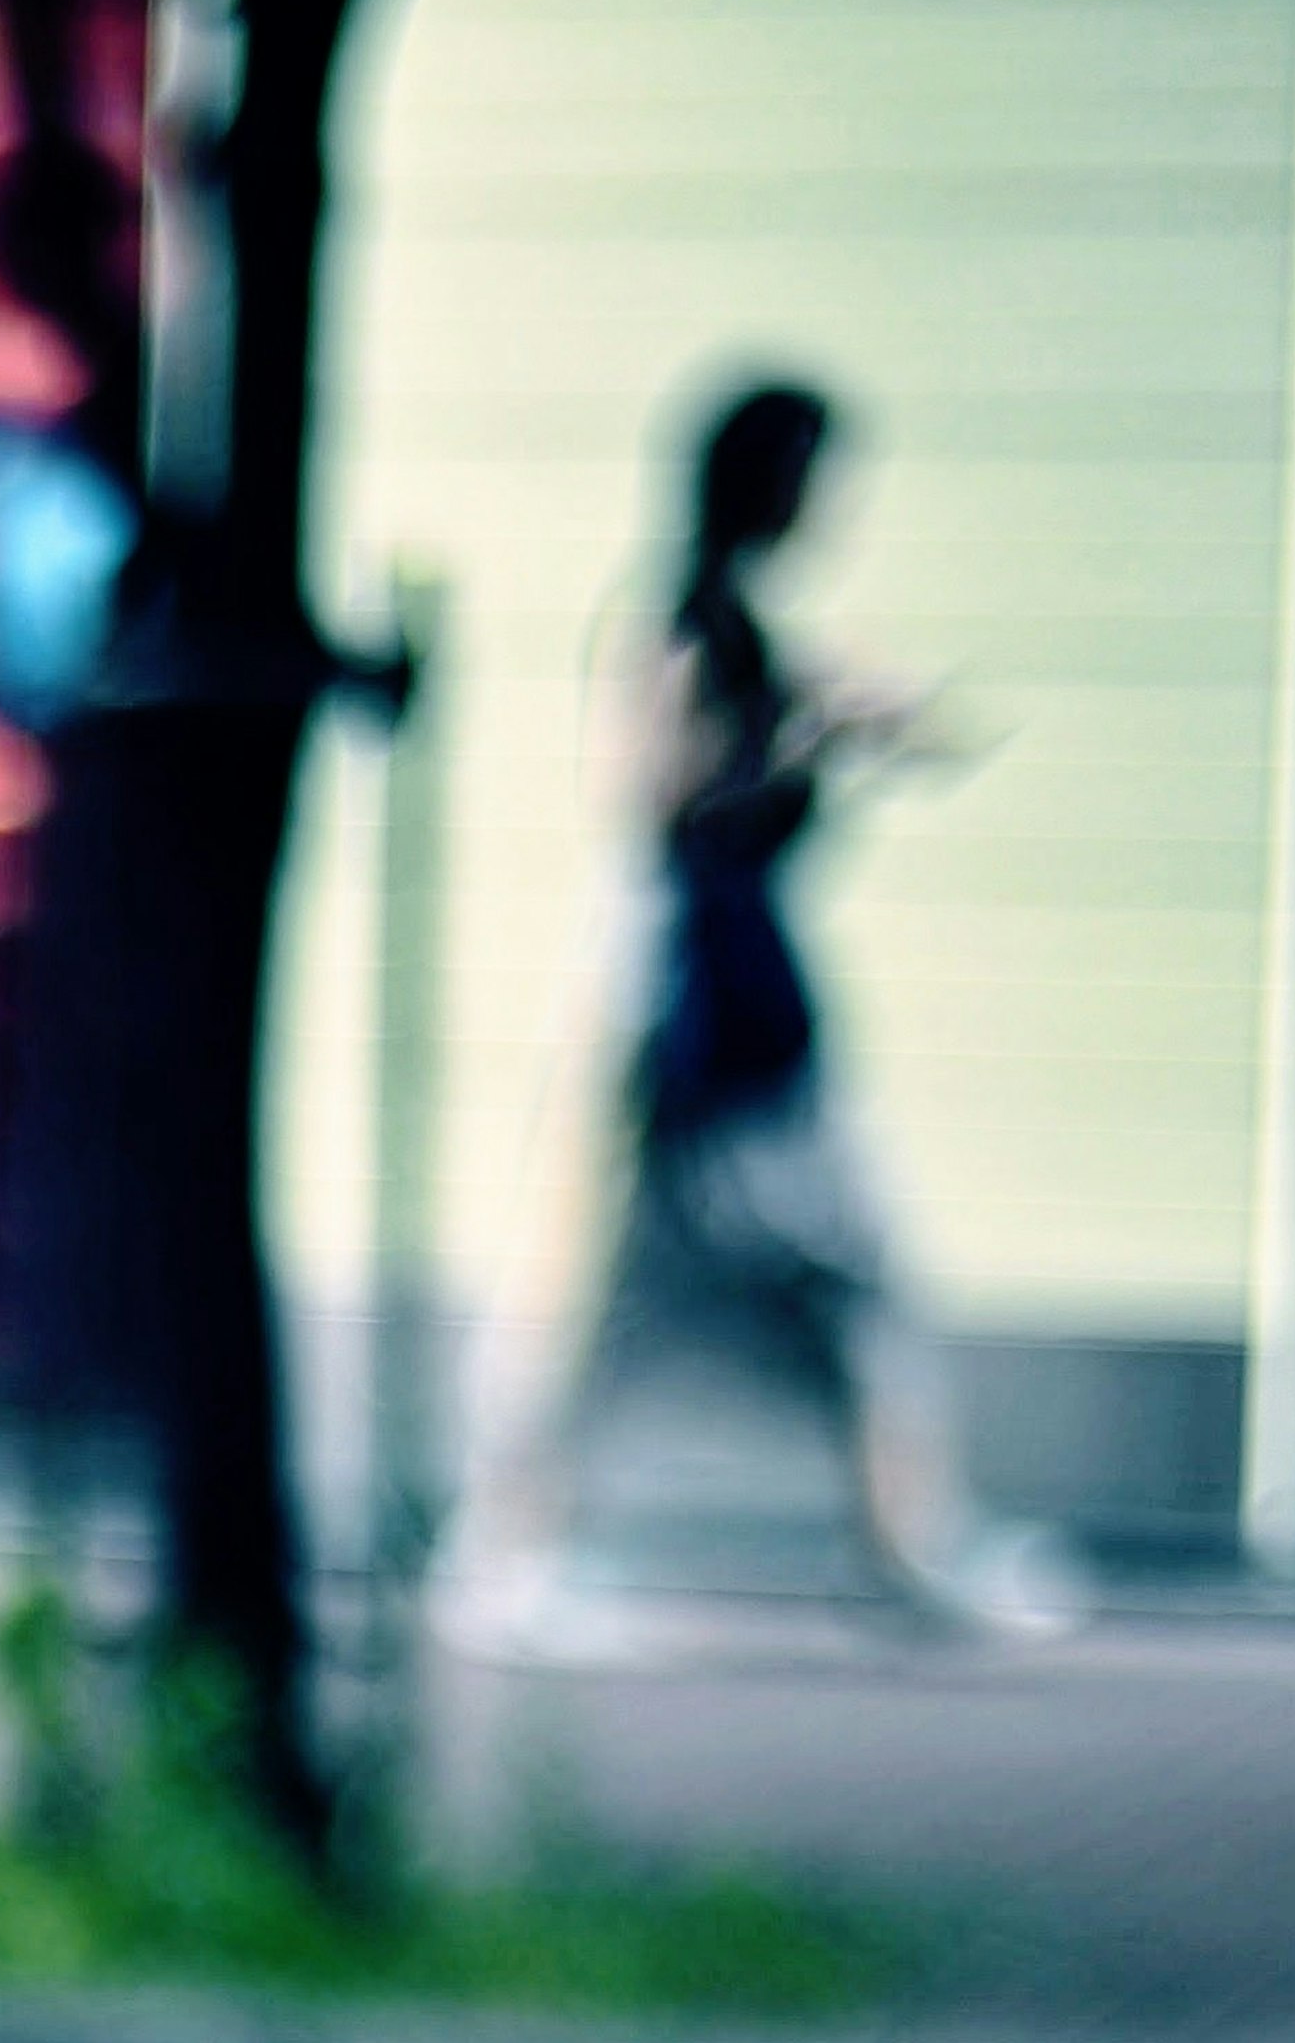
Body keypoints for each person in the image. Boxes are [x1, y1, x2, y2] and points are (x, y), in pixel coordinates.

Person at [446, 375, 1073, 1640]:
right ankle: (518, 1558)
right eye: (805, 470)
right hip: (681, 1002)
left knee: (811, 1278)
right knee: (620, 1289)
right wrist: (808, 739)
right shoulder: (681, 625)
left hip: (733, 1000)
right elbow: (655, 804)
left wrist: (840, 730)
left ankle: (906, 1540)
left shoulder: (747, 631)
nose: (820, 501)